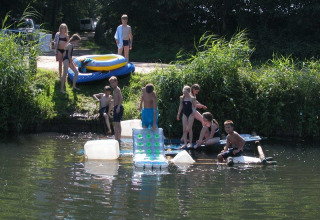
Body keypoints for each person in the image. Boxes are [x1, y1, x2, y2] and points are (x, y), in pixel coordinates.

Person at [109, 76, 124, 142]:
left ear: (116, 82)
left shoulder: (117, 89)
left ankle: (117, 138)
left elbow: (121, 98)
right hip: (116, 107)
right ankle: (118, 138)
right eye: (110, 83)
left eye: (113, 82)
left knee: (116, 124)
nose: (112, 84)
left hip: (118, 107)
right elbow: (116, 99)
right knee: (117, 124)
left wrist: (118, 107)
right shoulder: (114, 90)